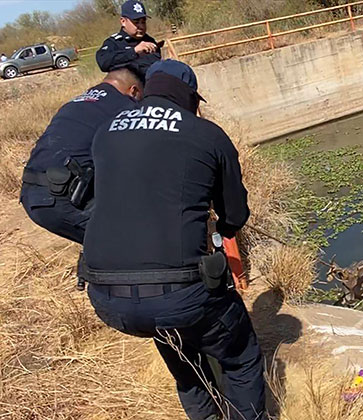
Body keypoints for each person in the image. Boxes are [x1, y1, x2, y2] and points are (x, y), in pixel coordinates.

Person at [81, 60, 265, 420]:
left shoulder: (105, 130)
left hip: (105, 297)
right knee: (241, 359)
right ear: (189, 97)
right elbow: (235, 217)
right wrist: (219, 227)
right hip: (179, 294)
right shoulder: (206, 134)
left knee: (185, 364)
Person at [20, 68, 143, 244]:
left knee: (107, 248)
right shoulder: (124, 104)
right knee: (135, 243)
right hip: (64, 196)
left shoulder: (76, 102)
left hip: (32, 193)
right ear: (134, 90)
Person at [96, 0, 161, 79]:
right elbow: (103, 62)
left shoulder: (149, 41)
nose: (141, 26)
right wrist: (134, 52)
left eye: (143, 22)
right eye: (136, 22)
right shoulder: (114, 43)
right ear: (123, 21)